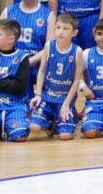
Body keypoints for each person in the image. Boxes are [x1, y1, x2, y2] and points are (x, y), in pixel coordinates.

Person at [28, 11, 81, 139]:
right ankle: (51, 122)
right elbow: (41, 71)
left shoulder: (77, 51)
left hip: (64, 97)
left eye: (65, 29)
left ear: (74, 33)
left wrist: (67, 103)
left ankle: (67, 118)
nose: (60, 32)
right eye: (58, 28)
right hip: (47, 96)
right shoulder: (49, 45)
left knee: (65, 136)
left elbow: (76, 81)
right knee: (34, 127)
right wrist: (38, 94)